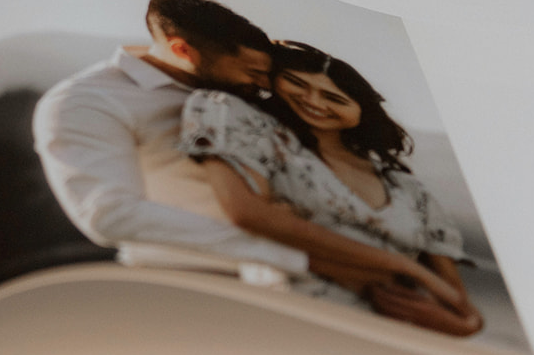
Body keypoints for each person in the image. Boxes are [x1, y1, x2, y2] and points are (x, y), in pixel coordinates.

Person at [180, 41, 483, 336]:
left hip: (394, 339)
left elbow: (459, 304)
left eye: (334, 99)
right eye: (297, 84)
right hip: (291, 319)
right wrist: (406, 266)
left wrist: (460, 324)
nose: (314, 101)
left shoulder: (408, 188)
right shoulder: (261, 135)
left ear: (360, 112)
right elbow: (246, 215)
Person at [32, 0, 310, 275]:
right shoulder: (89, 100)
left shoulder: (233, 94)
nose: (264, 84)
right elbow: (109, 214)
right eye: (252, 72)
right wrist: (286, 254)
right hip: (187, 281)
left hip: (304, 281)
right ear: (181, 50)